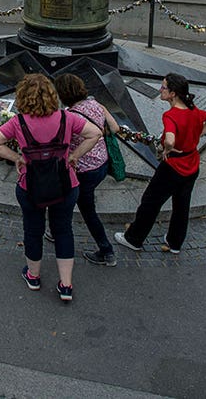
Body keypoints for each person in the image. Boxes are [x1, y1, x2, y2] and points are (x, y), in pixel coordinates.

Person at [0, 74, 101, 303]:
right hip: (65, 184)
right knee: (63, 231)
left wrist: (18, 158)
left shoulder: (18, 122)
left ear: (22, 97)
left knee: (33, 230)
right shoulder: (67, 118)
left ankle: (34, 276)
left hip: (31, 186)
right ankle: (66, 285)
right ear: (51, 95)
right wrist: (74, 156)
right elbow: (95, 133)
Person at [114, 74, 206, 254]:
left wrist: (168, 148)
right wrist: (197, 135)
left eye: (164, 88)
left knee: (150, 202)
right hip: (191, 163)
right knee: (182, 205)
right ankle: (175, 242)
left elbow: (169, 139)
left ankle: (134, 238)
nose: (161, 90)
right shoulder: (194, 111)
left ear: (173, 94)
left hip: (172, 167)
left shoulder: (170, 115)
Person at [52, 73, 120, 267]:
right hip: (102, 164)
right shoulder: (97, 104)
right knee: (67, 198)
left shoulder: (69, 116)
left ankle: (106, 251)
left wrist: (75, 152)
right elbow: (114, 128)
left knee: (87, 210)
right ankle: (56, 229)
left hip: (82, 170)